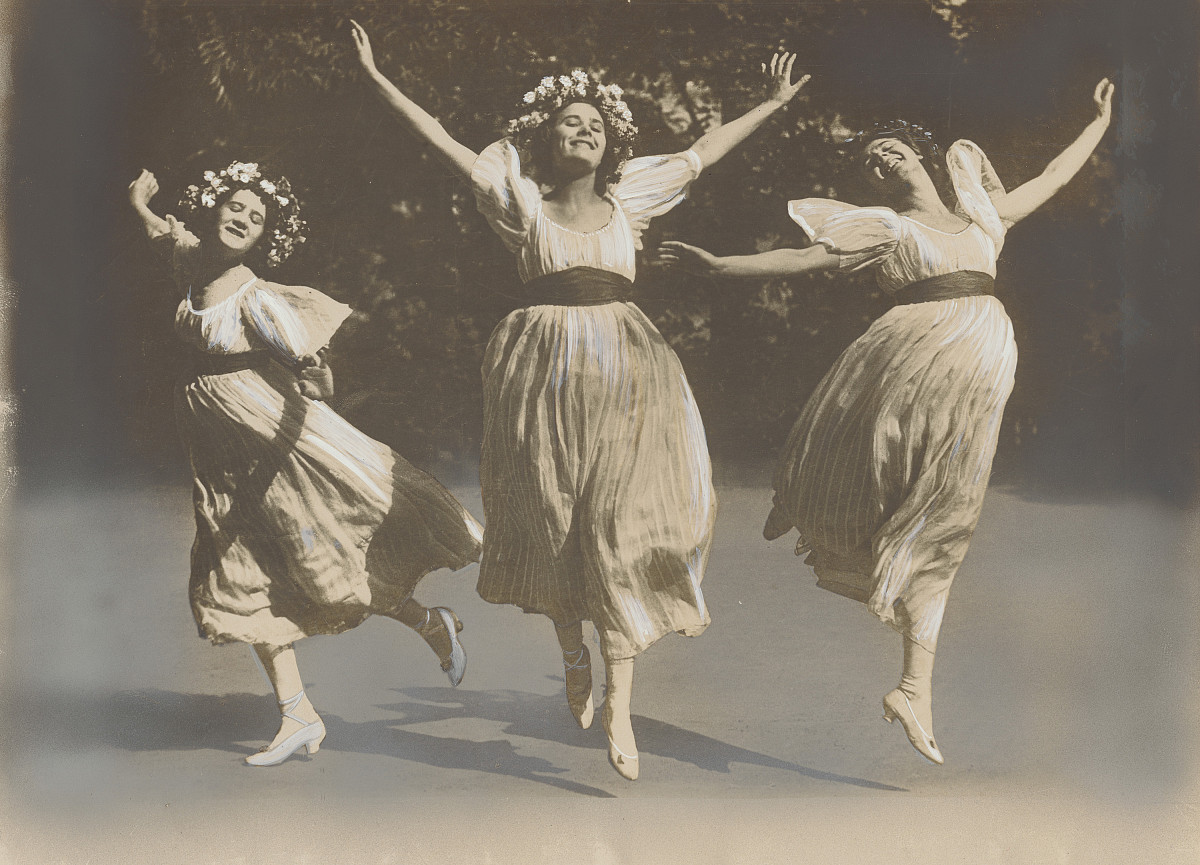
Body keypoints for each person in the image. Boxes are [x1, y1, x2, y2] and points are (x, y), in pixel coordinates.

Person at [351, 21, 808, 779]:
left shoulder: (631, 204)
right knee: (554, 521)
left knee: (619, 531)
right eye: (572, 123)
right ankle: (572, 651)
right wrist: (379, 80)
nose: (586, 131)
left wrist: (773, 103)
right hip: (541, 372)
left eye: (597, 125)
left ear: (611, 143)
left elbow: (705, 151)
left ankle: (621, 707)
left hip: (628, 369)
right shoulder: (522, 203)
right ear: (546, 139)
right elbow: (441, 140)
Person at [659, 79, 1115, 764]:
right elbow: (804, 258)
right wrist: (722, 266)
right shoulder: (886, 229)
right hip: (910, 362)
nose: (882, 160)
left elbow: (1053, 174)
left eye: (891, 149)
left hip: (980, 369)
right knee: (899, 491)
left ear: (919, 153)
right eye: (870, 160)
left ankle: (913, 686)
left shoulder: (984, 219)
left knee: (949, 518)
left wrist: (1101, 122)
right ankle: (824, 510)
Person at [128, 160, 484, 766]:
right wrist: (139, 201)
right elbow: (166, 232)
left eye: (255, 217)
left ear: (265, 235)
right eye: (234, 207)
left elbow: (308, 359)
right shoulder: (193, 262)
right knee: (247, 570)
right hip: (221, 454)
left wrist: (319, 380)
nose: (241, 219)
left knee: (323, 563)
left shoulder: (256, 296)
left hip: (274, 446)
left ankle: (429, 623)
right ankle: (299, 713)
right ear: (214, 211)